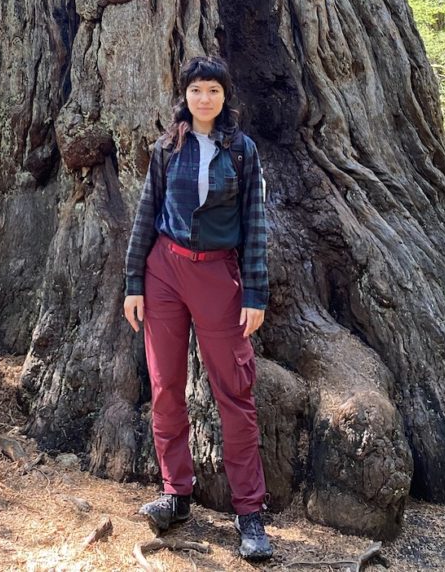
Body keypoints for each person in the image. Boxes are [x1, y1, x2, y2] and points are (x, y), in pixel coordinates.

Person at [123, 55, 272, 562]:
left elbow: (255, 225)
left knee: (234, 391)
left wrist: (255, 293)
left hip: (218, 276)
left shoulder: (242, 151)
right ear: (183, 96)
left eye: (212, 89)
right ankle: (175, 493)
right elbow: (147, 213)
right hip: (164, 270)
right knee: (165, 386)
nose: (203, 98)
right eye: (195, 90)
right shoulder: (168, 147)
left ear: (225, 96)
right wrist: (133, 281)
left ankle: (249, 511)